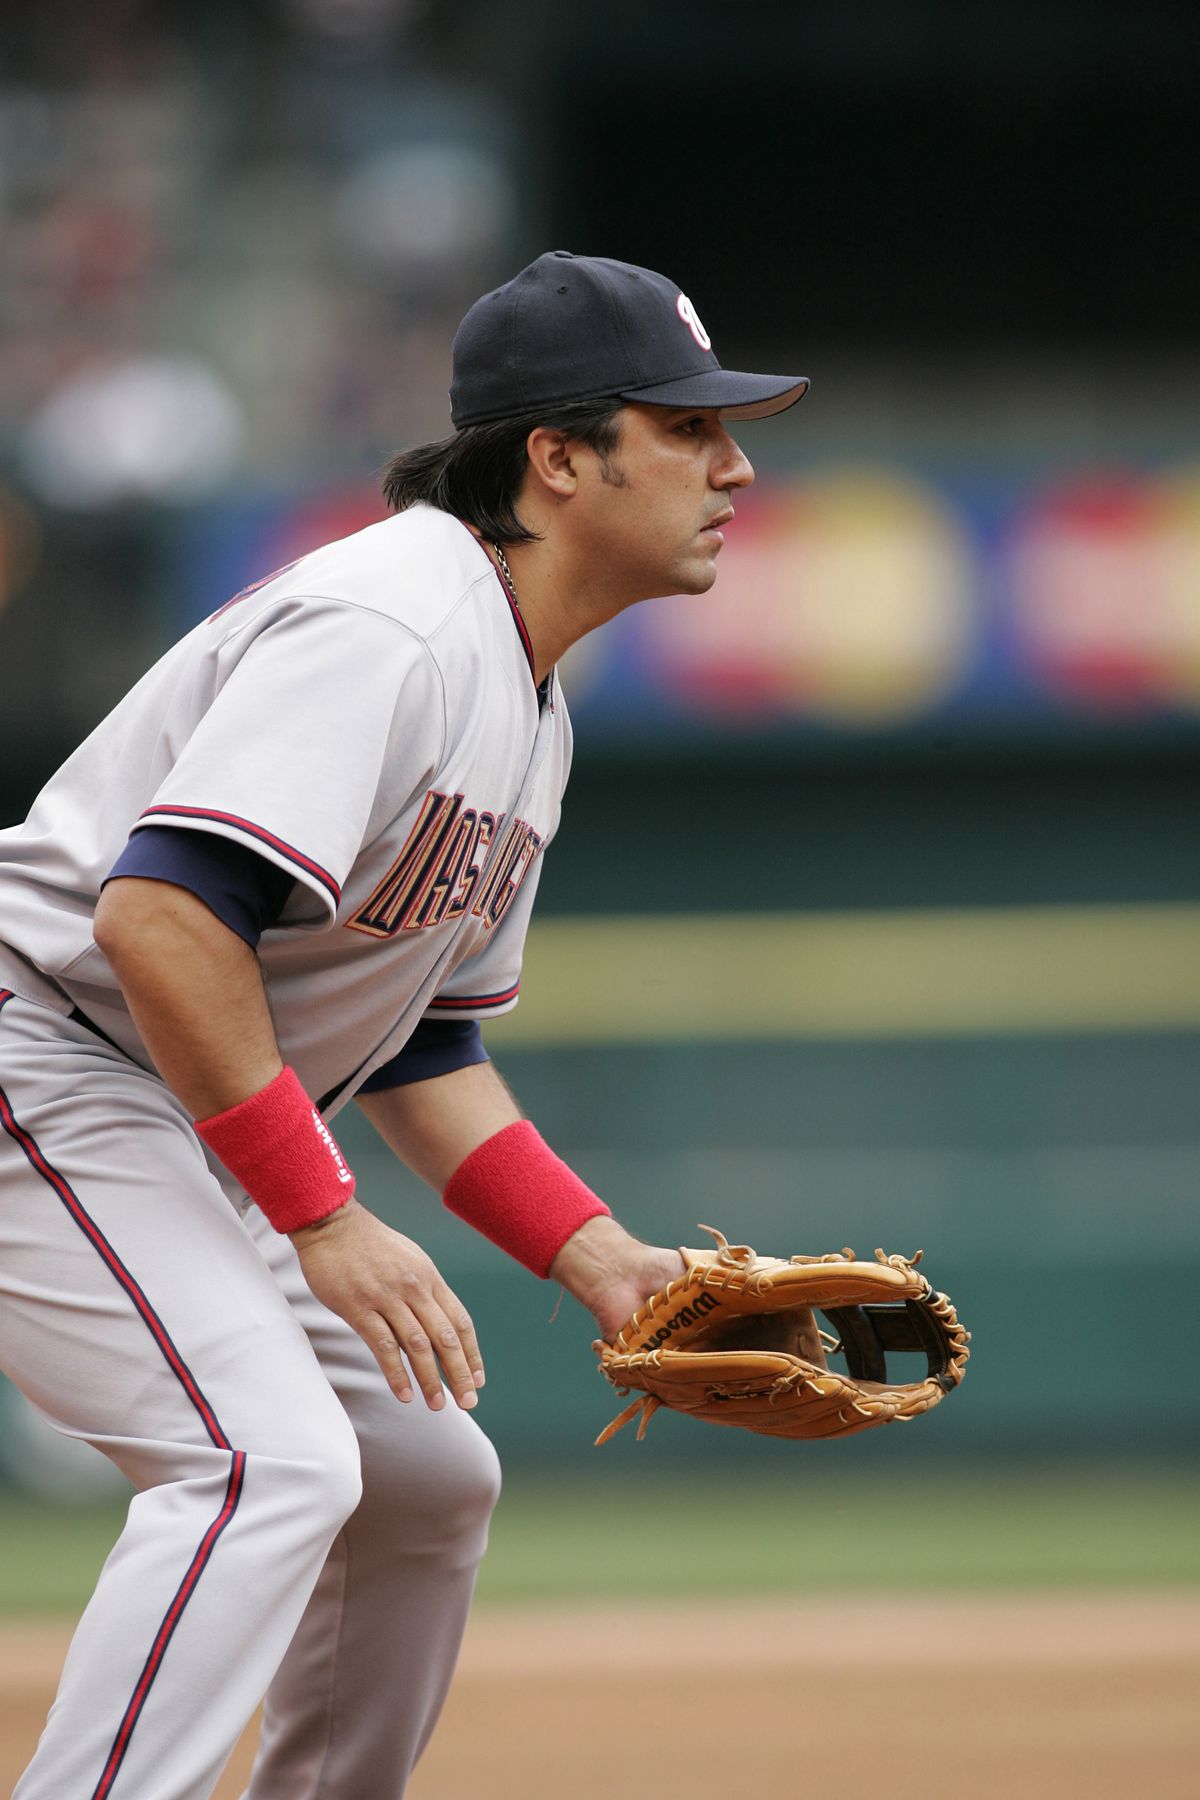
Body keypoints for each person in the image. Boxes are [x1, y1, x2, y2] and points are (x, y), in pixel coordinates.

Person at [0, 249, 808, 1799]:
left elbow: (426, 1049)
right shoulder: (396, 625)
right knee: (266, 1463)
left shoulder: (530, 701)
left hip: (169, 1100)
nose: (737, 464)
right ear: (560, 460)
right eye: (689, 427)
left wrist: (604, 1260)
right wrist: (319, 1214)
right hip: (45, 1052)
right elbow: (159, 917)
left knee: (422, 1478)